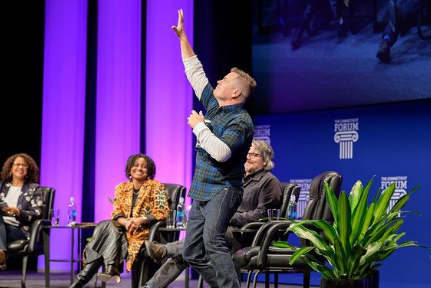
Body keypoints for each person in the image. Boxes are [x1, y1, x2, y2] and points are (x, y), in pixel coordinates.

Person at [171, 9, 256, 288]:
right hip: (203, 188)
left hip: (224, 189)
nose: (217, 81)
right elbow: (195, 73)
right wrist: (183, 37)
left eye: (224, 81)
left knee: (213, 240)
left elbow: (221, 152)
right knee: (191, 252)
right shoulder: (215, 108)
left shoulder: (240, 121)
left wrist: (198, 125)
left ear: (235, 93)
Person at [142, 140, 283, 288]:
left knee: (197, 242)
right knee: (188, 252)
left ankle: (165, 249)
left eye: (254, 154)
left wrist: (228, 217)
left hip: (247, 235)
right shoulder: (238, 179)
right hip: (226, 231)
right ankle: (151, 286)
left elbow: (262, 215)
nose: (248, 157)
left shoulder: (269, 182)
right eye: (247, 153)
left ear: (266, 161)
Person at [69, 154, 169, 288]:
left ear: (149, 171)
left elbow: (162, 211)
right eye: (136, 165)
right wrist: (126, 222)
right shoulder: (121, 188)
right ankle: (109, 268)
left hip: (144, 232)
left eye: (144, 167)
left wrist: (141, 219)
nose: (139, 168)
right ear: (129, 169)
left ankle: (89, 277)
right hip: (122, 231)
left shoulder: (157, 187)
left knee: (104, 230)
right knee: (106, 226)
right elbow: (117, 213)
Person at [0, 153, 43, 271]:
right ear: (10, 168)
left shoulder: (34, 188)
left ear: (28, 170)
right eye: (17, 164)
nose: (21, 167)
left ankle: (1, 253)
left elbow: (36, 214)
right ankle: (1, 253)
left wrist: (19, 212)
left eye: (24, 165)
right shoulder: (2, 187)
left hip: (19, 230)